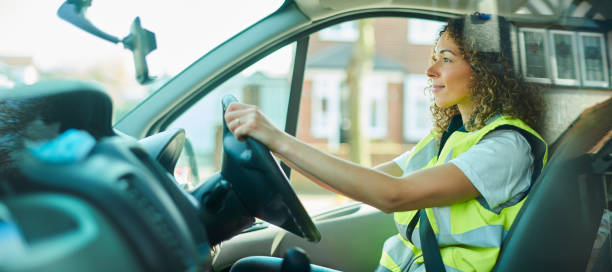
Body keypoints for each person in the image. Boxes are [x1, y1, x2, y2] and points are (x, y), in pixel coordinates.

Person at [226, 14, 548, 272]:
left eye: (446, 59)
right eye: (434, 57)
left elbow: (394, 195)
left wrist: (278, 138)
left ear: (486, 69)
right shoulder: (451, 136)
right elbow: (364, 180)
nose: (430, 70)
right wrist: (273, 147)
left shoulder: (507, 148)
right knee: (250, 267)